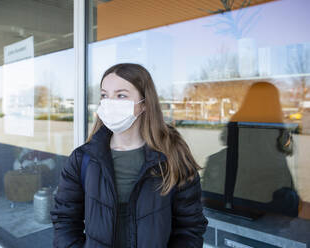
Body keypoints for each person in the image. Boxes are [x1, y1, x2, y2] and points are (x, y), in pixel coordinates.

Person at [51, 63, 208, 247]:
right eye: (104, 95)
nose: (109, 103)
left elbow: (190, 227)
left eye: (121, 95)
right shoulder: (83, 159)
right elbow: (65, 221)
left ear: (144, 104)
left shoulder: (173, 156)